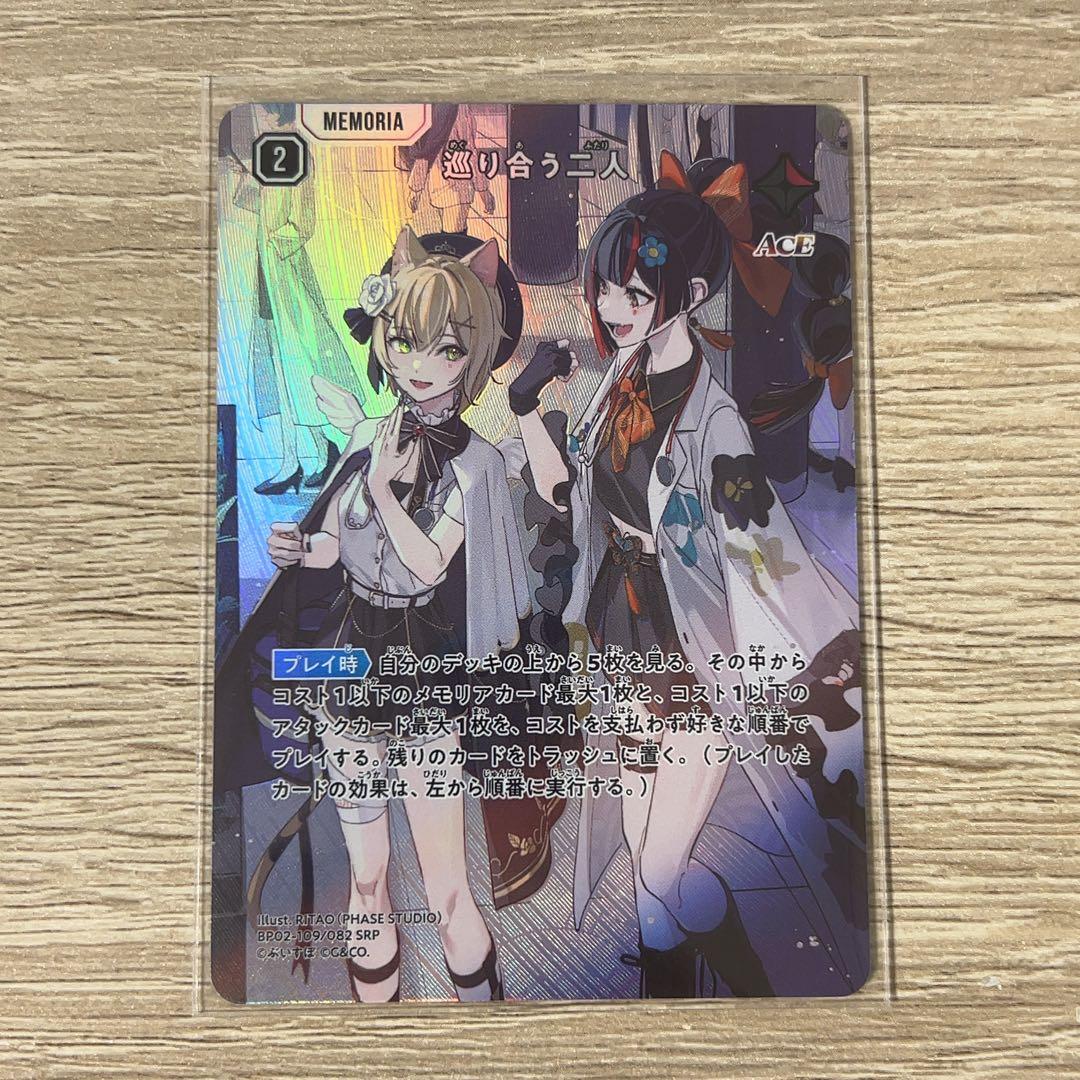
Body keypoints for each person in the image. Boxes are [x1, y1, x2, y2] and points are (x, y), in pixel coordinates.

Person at [508, 150, 869, 997]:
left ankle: (728, 989)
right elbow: (569, 498)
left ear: (692, 294)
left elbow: (766, 552)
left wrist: (809, 654)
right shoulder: (617, 383)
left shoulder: (716, 425)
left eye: (635, 295)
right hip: (622, 642)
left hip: (695, 662)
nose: (611, 309)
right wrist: (525, 412)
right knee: (644, 855)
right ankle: (676, 994)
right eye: (607, 288)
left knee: (662, 865)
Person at [216, 228, 565, 1003]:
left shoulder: (475, 464)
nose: (417, 364)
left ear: (474, 355)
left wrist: (378, 489)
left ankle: (485, 1027)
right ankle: (377, 1035)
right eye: (403, 341)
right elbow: (339, 550)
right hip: (353, 673)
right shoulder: (371, 437)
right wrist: (297, 549)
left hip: (426, 681)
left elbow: (428, 563)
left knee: (445, 888)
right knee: (367, 878)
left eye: (445, 348)